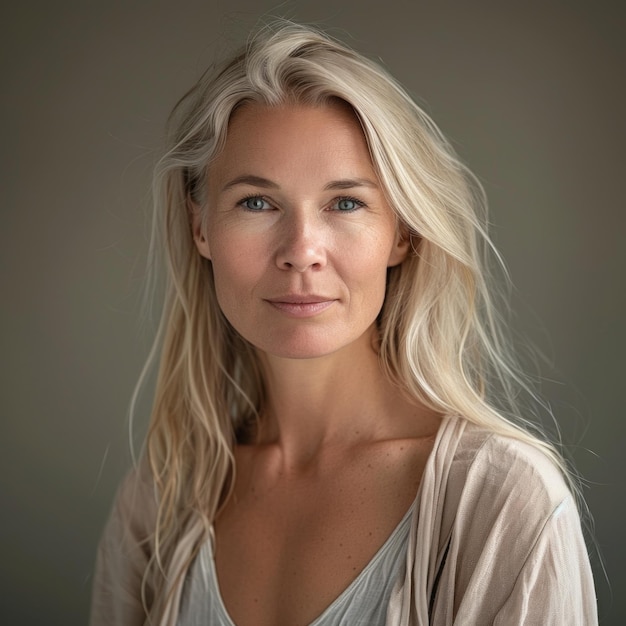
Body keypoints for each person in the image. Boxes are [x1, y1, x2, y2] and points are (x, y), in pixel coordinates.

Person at [90, 21, 598, 626]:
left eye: (346, 202)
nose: (302, 249)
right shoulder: (158, 505)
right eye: (257, 202)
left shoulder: (504, 503)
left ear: (403, 232)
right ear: (201, 227)